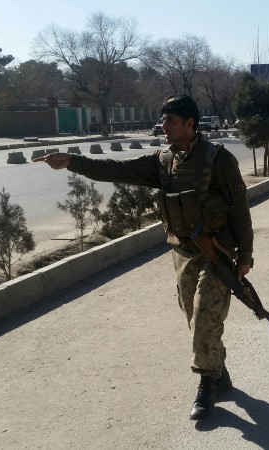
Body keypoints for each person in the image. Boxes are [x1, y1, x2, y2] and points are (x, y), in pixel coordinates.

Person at [34, 94, 253, 421]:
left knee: (206, 318)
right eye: (163, 120)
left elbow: (239, 208)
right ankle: (218, 373)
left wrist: (246, 254)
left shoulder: (218, 160)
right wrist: (73, 162)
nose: (163, 126)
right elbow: (117, 170)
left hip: (216, 253)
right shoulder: (163, 160)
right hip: (182, 253)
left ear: (190, 124)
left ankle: (207, 385)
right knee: (194, 317)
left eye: (170, 121)